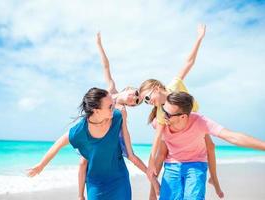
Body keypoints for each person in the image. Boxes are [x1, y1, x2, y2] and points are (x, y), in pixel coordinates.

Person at [139, 24, 224, 199]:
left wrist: (199, 38)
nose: (148, 103)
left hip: (194, 121)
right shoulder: (162, 112)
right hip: (181, 129)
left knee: (211, 146)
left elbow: (188, 62)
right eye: (144, 102)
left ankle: (214, 178)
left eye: (147, 98)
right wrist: (150, 165)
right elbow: (156, 144)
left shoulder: (174, 86)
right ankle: (210, 179)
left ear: (156, 87)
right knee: (174, 152)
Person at [27, 87, 155, 200]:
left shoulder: (117, 116)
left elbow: (128, 144)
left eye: (113, 104)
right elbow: (59, 144)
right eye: (110, 106)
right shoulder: (80, 130)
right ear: (96, 111)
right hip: (96, 184)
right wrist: (41, 165)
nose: (115, 107)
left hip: (119, 179)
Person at [77, 32, 159, 200]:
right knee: (83, 161)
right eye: (136, 94)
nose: (134, 99)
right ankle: (80, 195)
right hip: (92, 132)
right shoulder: (110, 91)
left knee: (127, 156)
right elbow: (106, 67)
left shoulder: (121, 111)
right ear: (128, 88)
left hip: (111, 140)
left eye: (136, 102)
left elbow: (125, 138)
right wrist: (99, 44)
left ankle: (151, 177)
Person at [157, 91, 265, 199]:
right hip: (172, 165)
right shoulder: (160, 123)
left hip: (196, 164)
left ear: (183, 117)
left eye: (168, 114)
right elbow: (159, 154)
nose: (163, 115)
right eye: (163, 110)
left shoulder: (200, 121)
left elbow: (232, 136)